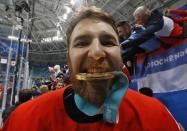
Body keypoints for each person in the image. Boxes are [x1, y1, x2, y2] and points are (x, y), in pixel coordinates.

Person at [2, 6, 180, 131]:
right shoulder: (22, 121)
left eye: (107, 42)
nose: (96, 53)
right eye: (82, 43)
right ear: (68, 58)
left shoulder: (157, 116)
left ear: (120, 55)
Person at [121, 6, 186, 58]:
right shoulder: (153, 17)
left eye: (138, 20)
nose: (137, 22)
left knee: (138, 44)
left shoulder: (155, 24)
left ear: (145, 16)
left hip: (177, 37)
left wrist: (123, 46)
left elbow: (142, 37)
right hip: (170, 36)